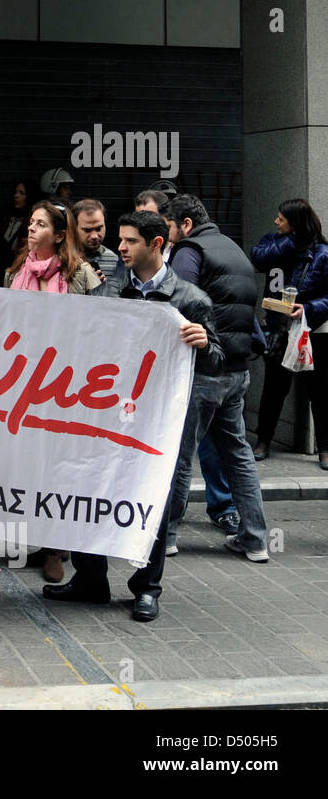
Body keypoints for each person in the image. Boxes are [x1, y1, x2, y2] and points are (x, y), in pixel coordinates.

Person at [44, 211, 221, 622]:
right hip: (106, 416)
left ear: (156, 244)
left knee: (152, 497)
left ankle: (146, 588)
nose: (119, 248)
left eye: (130, 241)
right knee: (88, 489)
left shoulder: (191, 299)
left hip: (157, 421)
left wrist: (203, 344)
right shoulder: (107, 294)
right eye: (120, 240)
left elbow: (217, 363)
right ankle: (91, 580)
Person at [159, 194, 268, 559]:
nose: (168, 237)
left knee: (180, 455)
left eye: (170, 228)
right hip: (237, 372)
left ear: (186, 224)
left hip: (203, 369)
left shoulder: (190, 250)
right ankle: (255, 539)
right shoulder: (233, 249)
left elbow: (179, 300)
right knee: (238, 454)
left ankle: (167, 536)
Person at [5, 200, 104, 582]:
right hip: (25, 381)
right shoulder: (17, 270)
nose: (31, 229)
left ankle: (57, 549)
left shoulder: (81, 275)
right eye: (30, 223)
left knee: (60, 466)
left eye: (41, 224)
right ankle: (38, 538)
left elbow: (99, 326)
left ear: (60, 235)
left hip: (67, 385)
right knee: (32, 465)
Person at [251, 198, 328, 466]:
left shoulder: (322, 254)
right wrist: (292, 241)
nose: (276, 221)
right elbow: (257, 258)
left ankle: (325, 447)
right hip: (278, 330)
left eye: (281, 218)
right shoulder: (274, 243)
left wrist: (307, 309)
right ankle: (263, 441)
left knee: (319, 391)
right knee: (273, 390)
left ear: (294, 223)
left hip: (312, 332)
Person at [71, 198, 118, 282]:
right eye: (87, 230)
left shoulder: (114, 260)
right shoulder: (62, 257)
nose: (94, 236)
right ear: (74, 228)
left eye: (98, 228)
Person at [0, 179, 33, 256]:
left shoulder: (31, 222)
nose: (16, 196)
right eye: (15, 192)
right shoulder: (7, 218)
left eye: (22, 193)